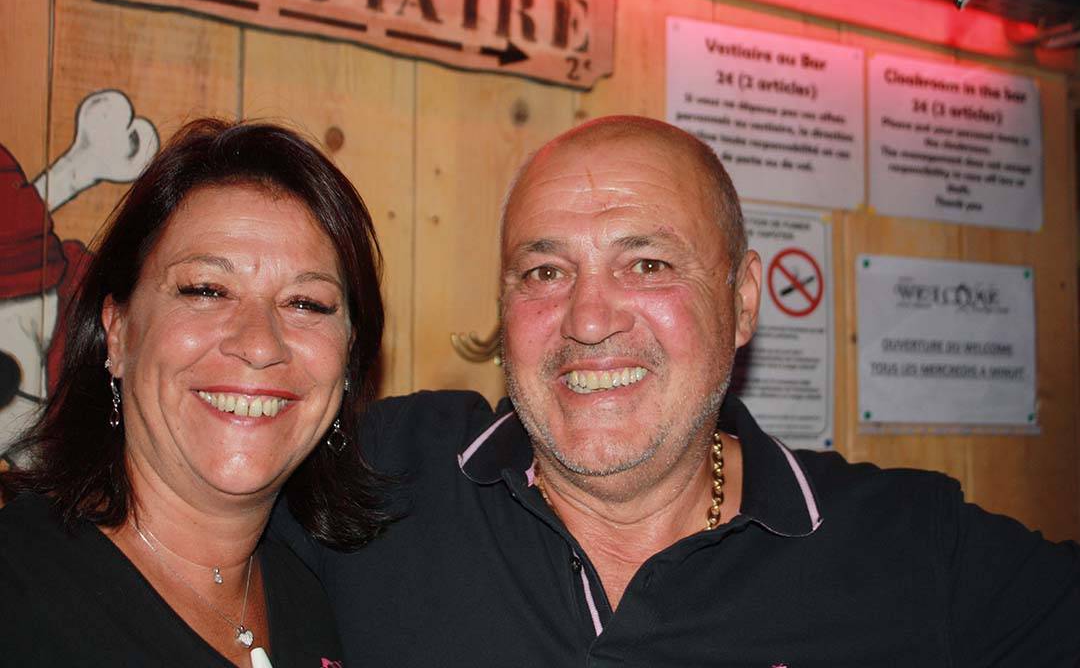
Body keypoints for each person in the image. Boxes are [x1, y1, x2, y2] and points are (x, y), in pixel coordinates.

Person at [275, 115, 1080, 667]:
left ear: (742, 302)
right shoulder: (380, 474)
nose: (589, 320)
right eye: (545, 272)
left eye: (648, 264)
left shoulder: (909, 546)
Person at [0, 118, 388, 667]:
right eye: (206, 290)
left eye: (306, 303)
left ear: (349, 357)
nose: (259, 344)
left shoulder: (316, 601)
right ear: (118, 332)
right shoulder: (17, 590)